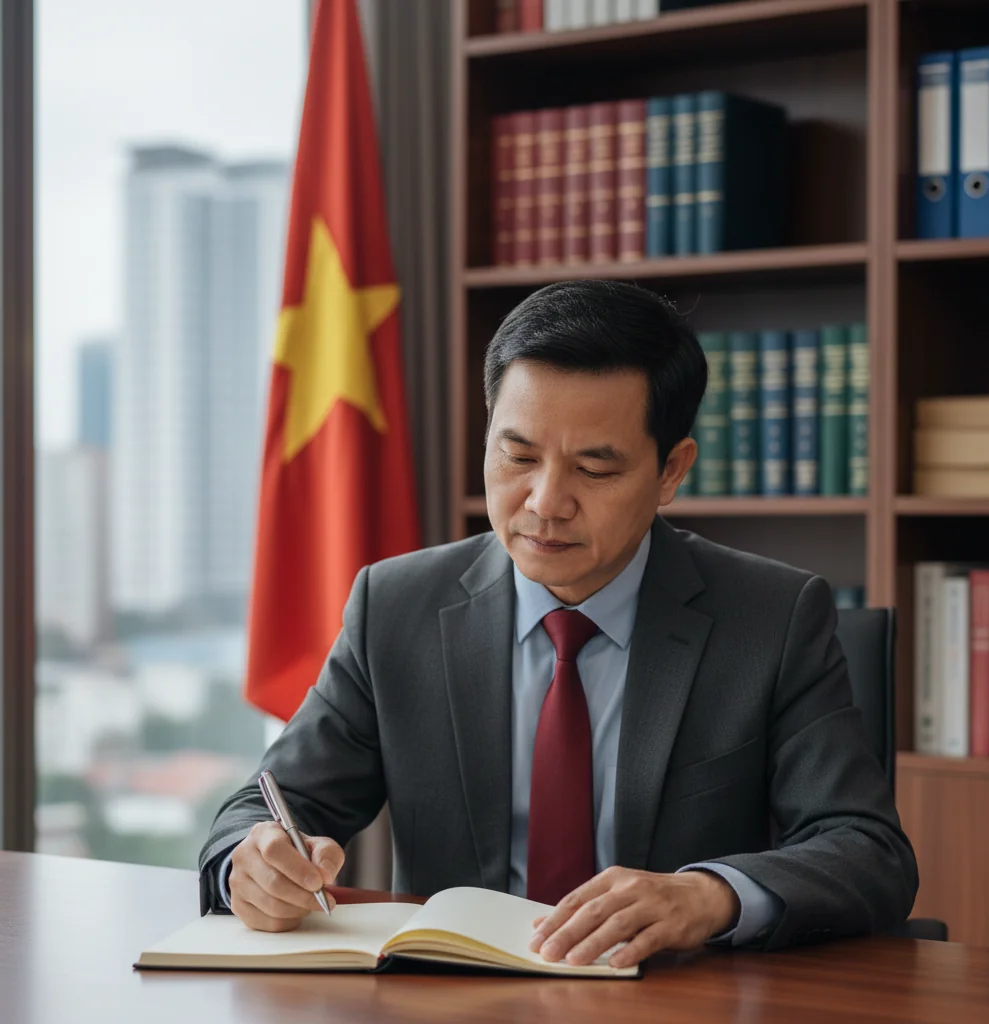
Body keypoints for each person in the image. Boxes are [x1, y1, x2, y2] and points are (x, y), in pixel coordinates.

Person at [200, 279, 917, 968]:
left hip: (667, 1000)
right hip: (454, 998)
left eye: (594, 470)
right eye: (517, 456)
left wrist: (707, 895)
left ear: (671, 471)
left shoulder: (772, 618)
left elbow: (865, 849)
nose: (545, 502)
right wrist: (253, 862)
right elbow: (266, 806)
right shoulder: (396, 606)